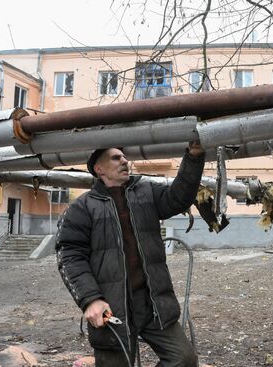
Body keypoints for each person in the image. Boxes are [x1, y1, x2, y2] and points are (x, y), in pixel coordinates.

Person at [56, 142, 205, 367]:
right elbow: (69, 256)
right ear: (99, 169)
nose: (125, 161)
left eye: (124, 157)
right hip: (112, 306)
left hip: (152, 301)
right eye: (116, 158)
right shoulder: (82, 207)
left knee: (183, 359)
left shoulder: (146, 191)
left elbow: (179, 198)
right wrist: (90, 300)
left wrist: (193, 157)